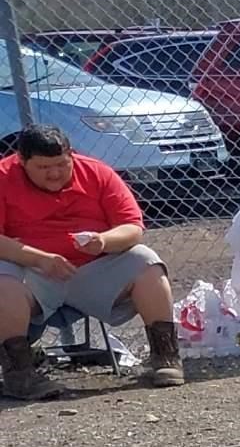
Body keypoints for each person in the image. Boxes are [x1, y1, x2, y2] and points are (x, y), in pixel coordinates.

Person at [0, 124, 184, 398]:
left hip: (93, 268)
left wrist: (104, 241)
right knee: (4, 278)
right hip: (33, 271)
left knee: (146, 262)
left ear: (71, 155)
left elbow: (132, 228)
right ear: (21, 161)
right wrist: (38, 259)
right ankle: (20, 374)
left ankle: (165, 358)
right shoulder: (3, 176)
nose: (54, 173)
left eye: (62, 164)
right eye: (43, 167)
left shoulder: (97, 172)